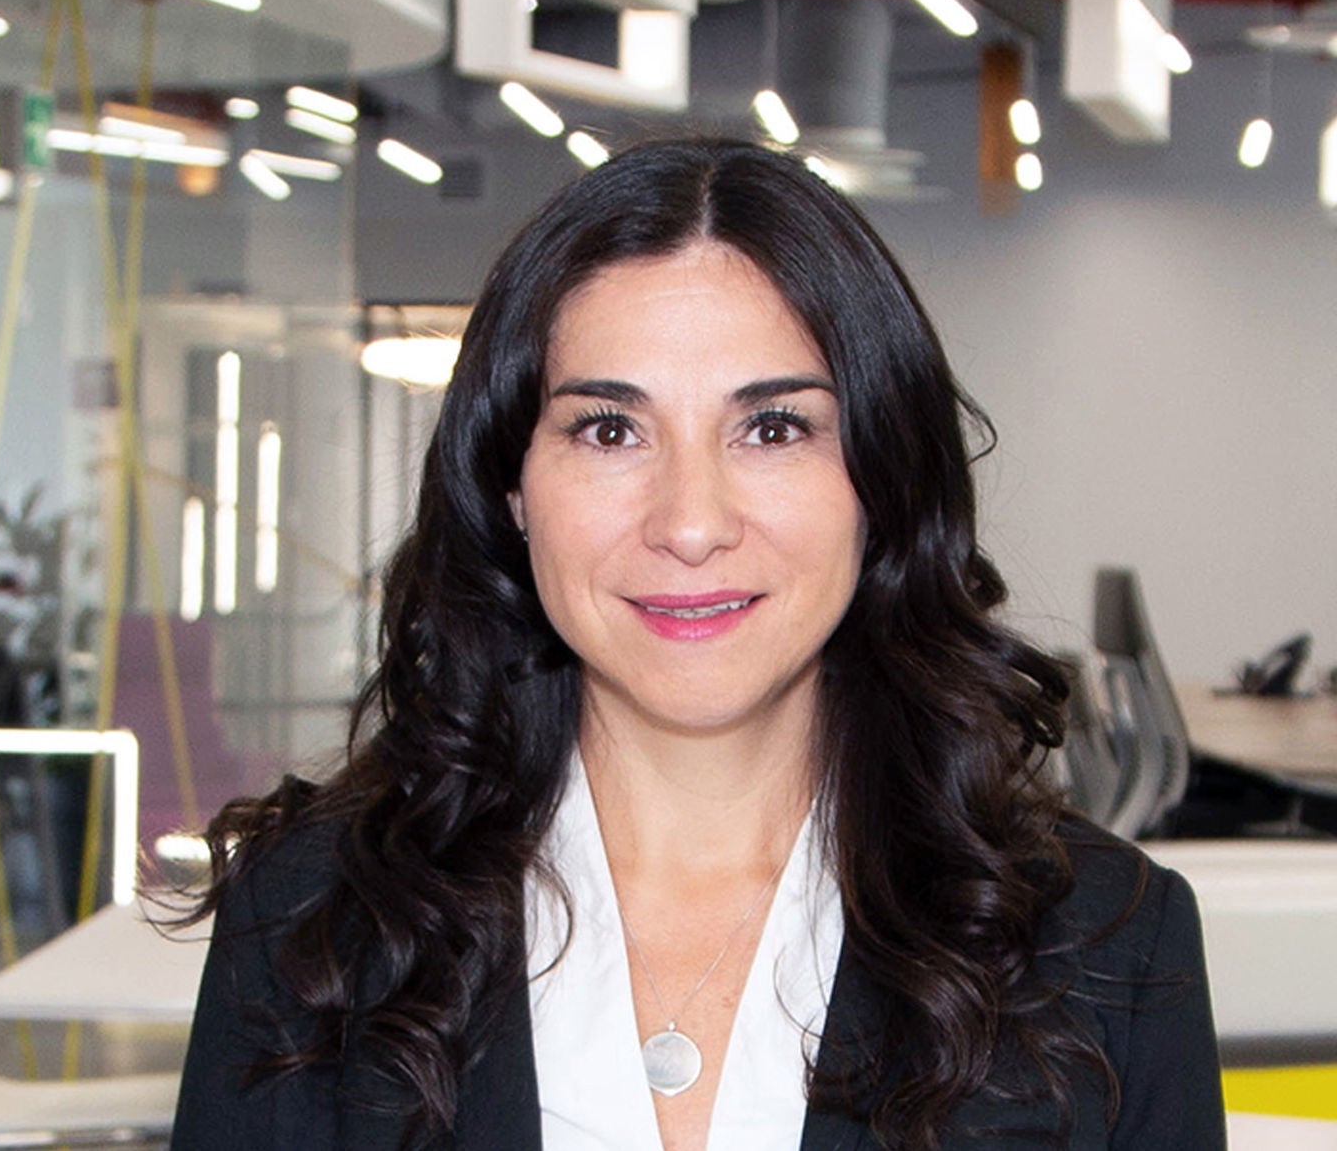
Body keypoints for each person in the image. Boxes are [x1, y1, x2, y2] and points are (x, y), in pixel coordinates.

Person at [169, 139, 1224, 1151]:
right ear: (512, 486)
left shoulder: (1105, 948)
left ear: (881, 480)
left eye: (771, 428)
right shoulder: (311, 921)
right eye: (608, 429)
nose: (688, 523)